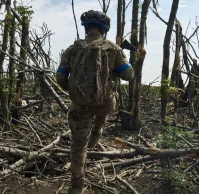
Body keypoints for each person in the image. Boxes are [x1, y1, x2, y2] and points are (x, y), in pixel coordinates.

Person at [56, 10, 134, 194]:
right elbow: (128, 75)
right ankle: (97, 131)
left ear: (86, 28)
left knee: (78, 146)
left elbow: (60, 77)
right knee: (103, 110)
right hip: (105, 104)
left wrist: (74, 91)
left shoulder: (73, 49)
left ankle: (76, 188)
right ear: (104, 30)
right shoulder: (114, 49)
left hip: (80, 105)